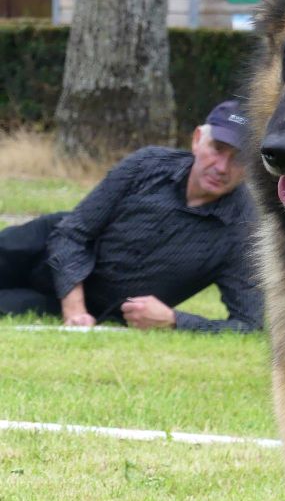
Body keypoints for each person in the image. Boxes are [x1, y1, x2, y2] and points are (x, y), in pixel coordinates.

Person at [0, 100, 263, 333]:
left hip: (92, 307)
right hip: (42, 248)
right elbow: (72, 232)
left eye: (238, 158)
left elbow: (250, 323)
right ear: (197, 140)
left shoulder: (243, 231)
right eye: (217, 148)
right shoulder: (146, 164)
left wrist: (174, 320)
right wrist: (74, 308)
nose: (221, 167)